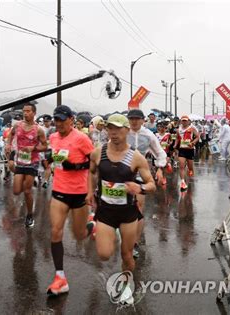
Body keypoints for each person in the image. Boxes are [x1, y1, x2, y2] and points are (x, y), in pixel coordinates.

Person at [86, 114, 156, 303]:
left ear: (126, 130)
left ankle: (126, 285)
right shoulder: (97, 153)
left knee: (126, 254)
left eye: (117, 128)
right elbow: (91, 173)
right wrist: (90, 192)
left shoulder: (136, 157)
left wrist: (139, 188)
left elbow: (152, 184)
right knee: (104, 254)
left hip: (127, 213)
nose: (113, 132)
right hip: (106, 211)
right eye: (110, 128)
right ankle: (99, 229)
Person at [46, 105, 95, 296]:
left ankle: (92, 225)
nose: (58, 124)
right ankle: (60, 278)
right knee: (55, 231)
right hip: (59, 190)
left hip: (79, 193)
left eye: (61, 120)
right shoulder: (53, 137)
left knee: (80, 234)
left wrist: (74, 166)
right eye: (55, 120)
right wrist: (51, 160)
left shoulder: (82, 138)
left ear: (71, 119)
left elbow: (94, 162)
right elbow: (55, 157)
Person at [126, 109, 167, 259]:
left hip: (139, 173)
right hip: (122, 173)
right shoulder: (123, 132)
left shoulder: (148, 135)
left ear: (143, 120)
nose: (134, 122)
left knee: (138, 207)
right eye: (132, 119)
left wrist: (159, 169)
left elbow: (160, 153)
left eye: (137, 119)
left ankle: (134, 243)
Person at [5, 101, 47, 228]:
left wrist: (33, 148)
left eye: (28, 111)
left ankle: (30, 215)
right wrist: (8, 144)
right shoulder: (17, 125)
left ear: (34, 113)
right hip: (20, 161)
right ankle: (27, 183)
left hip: (32, 162)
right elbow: (10, 135)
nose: (25, 113)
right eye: (24, 111)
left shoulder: (38, 130)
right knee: (17, 191)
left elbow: (45, 146)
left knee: (27, 191)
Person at [175, 116, 199, 192]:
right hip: (182, 149)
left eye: (185, 121)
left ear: (188, 121)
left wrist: (193, 142)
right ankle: (182, 182)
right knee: (181, 166)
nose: (184, 122)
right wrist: (175, 145)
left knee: (190, 168)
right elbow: (177, 138)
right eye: (183, 121)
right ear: (181, 121)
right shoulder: (178, 129)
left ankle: (190, 170)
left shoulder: (192, 128)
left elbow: (198, 137)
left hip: (190, 149)